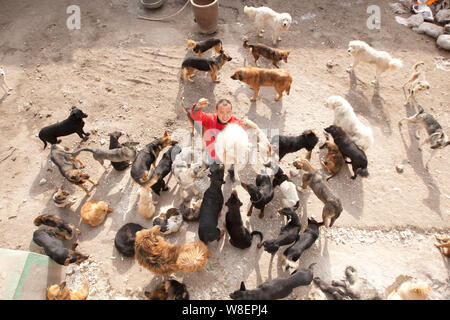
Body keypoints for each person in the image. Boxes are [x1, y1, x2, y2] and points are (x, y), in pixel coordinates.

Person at [190, 98, 245, 179]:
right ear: (216, 111)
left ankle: (231, 174)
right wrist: (197, 107)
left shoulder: (237, 124)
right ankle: (214, 176)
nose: (225, 116)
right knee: (214, 171)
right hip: (213, 154)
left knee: (231, 167)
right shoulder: (210, 119)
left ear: (231, 112)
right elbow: (196, 117)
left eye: (228, 112)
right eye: (222, 112)